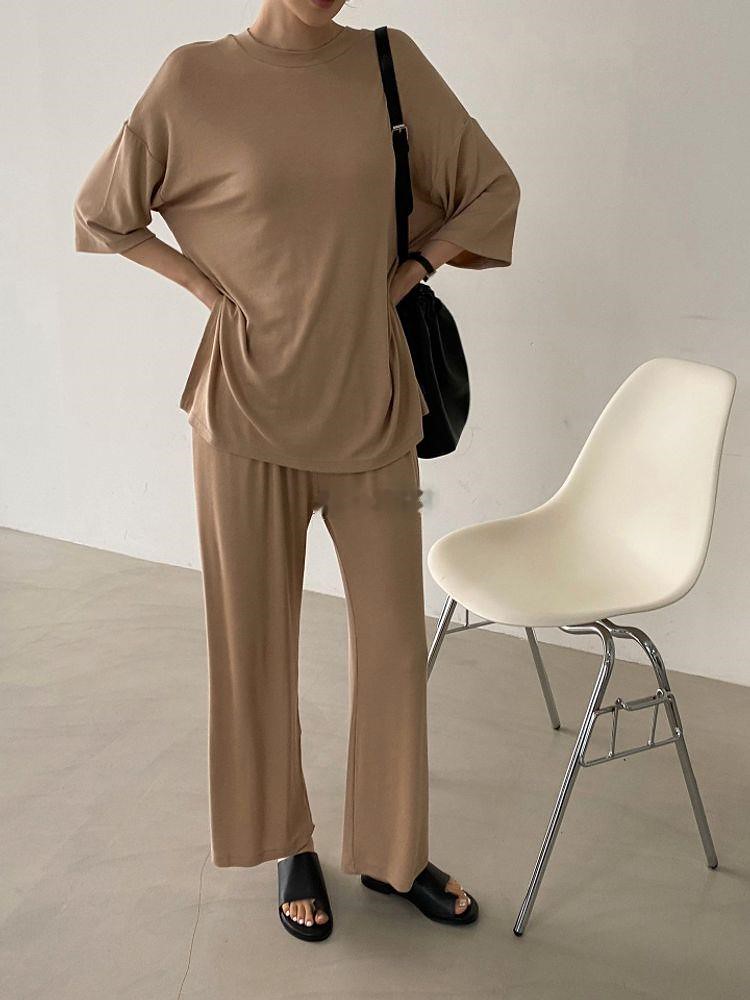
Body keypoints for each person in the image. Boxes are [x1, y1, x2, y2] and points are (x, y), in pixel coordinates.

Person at [73, 0, 520, 942]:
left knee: (393, 647)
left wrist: (413, 268)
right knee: (253, 645)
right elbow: (104, 211)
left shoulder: (390, 63)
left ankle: (395, 853)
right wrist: (206, 289)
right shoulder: (194, 78)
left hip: (374, 403)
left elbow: (489, 187)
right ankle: (287, 841)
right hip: (243, 409)